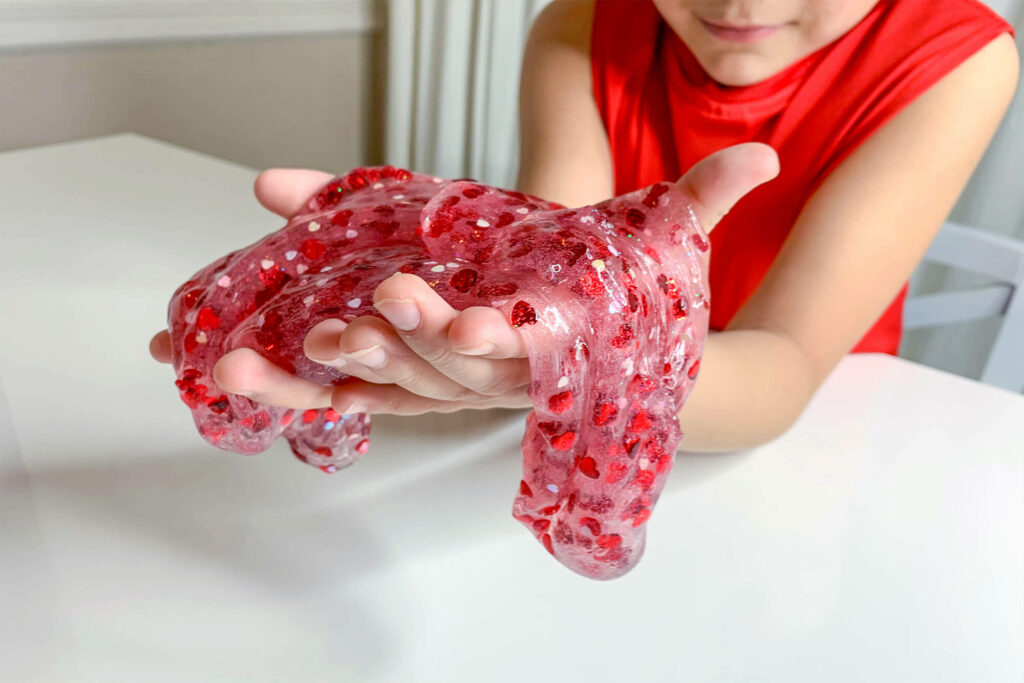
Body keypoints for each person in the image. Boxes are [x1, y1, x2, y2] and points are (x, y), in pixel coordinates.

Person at [150, 0, 1017, 452]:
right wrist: (421, 251)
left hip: (813, 433)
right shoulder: (580, 28)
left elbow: (784, 365)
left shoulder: (960, 59)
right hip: (602, 413)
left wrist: (572, 362)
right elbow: (545, 269)